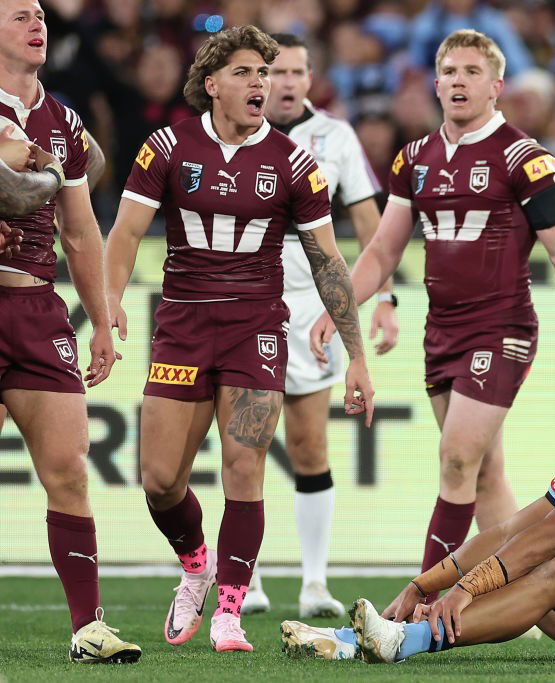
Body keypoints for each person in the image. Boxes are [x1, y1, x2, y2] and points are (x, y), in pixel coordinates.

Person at [103, 25, 374, 654]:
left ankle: (229, 610)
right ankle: (195, 563)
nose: (263, 83)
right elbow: (124, 234)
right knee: (159, 480)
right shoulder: (167, 147)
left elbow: (331, 262)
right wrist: (108, 300)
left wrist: (356, 356)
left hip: (257, 328)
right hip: (182, 324)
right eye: (248, 73)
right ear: (212, 85)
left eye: (267, 72)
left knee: (244, 466)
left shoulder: (294, 162)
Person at [311, 29, 555, 592]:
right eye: (450, 72)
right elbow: (383, 251)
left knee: (457, 459)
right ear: (435, 84)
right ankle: (530, 596)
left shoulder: (525, 158)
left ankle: (421, 600)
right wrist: (336, 306)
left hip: (502, 329)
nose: (459, 81)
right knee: (485, 475)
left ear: (496, 86)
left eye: (472, 71)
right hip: (441, 333)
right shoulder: (413, 159)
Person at [281, 334, 555, 665]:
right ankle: (350, 641)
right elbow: (508, 531)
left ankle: (401, 642)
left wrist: (464, 589)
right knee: (516, 559)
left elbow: (554, 536)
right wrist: (423, 585)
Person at [0, 0, 140, 664]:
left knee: (69, 470)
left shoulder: (64, 122)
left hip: (36, 311)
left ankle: (88, 627)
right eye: (19, 14)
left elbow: (80, 230)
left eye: (40, 16)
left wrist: (102, 313)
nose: (37, 24)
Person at [241, 32, 399, 620]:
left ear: (311, 79)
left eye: (295, 72)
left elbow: (369, 223)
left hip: (313, 304)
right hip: (245, 298)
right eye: (271, 71)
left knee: (309, 444)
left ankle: (313, 583)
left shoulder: (335, 137)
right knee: (247, 442)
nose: (283, 82)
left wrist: (384, 298)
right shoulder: (228, 131)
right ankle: (246, 581)